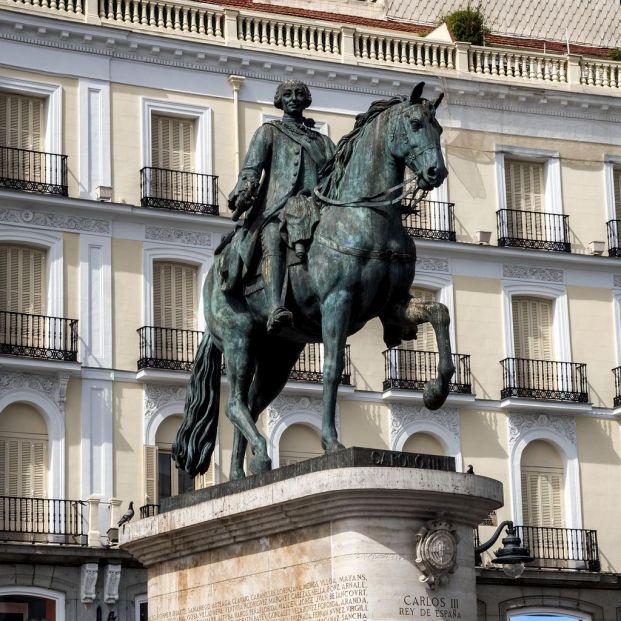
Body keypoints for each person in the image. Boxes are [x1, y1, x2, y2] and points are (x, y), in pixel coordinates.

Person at [228, 80, 335, 334]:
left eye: (300, 94)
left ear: (306, 100)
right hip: (277, 208)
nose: (294, 98)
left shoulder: (322, 141)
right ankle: (275, 306)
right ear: (280, 101)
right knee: (274, 236)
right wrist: (245, 190)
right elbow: (251, 169)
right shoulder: (269, 131)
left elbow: (337, 174)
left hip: (317, 207)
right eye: (288, 94)